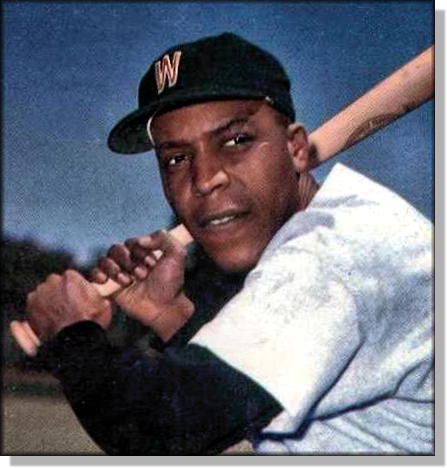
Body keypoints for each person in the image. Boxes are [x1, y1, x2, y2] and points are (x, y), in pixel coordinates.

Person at [25, 33, 433, 454]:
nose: (205, 179)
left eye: (237, 140)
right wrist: (168, 313)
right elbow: (237, 401)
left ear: (295, 148)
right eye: (176, 159)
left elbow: (158, 428)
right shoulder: (339, 233)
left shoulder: (334, 255)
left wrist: (70, 333)